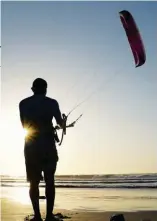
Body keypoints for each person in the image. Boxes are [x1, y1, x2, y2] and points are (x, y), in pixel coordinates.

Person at [19, 78, 64, 221]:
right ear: (45, 89)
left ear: (33, 89)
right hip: (48, 145)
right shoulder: (52, 103)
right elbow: (60, 123)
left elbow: (24, 125)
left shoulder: (23, 103)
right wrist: (63, 121)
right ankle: (49, 216)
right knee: (50, 180)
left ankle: (37, 216)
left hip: (31, 146)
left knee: (34, 182)